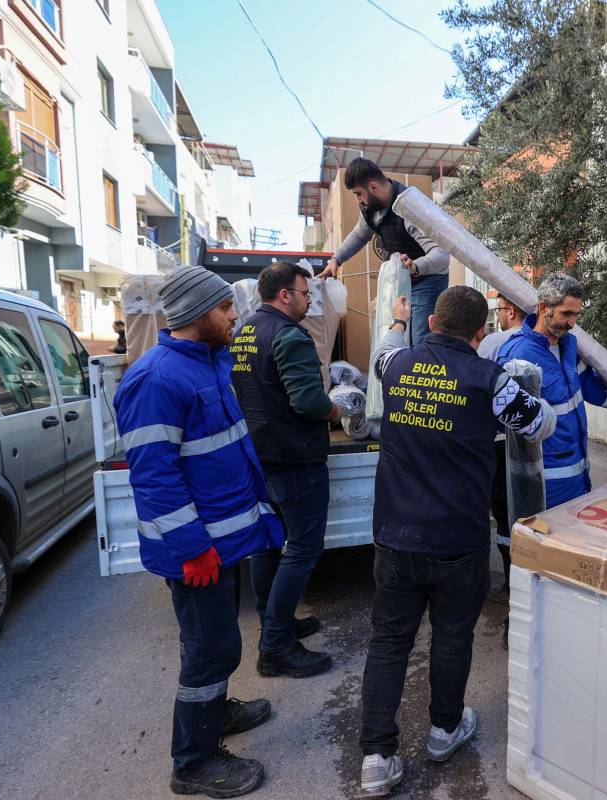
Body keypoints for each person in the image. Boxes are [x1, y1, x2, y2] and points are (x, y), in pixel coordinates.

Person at [358, 286, 555, 797]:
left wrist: (398, 322)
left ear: (433, 323)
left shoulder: (396, 367)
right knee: (451, 637)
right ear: (480, 333)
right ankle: (445, 731)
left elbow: (380, 352)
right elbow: (540, 426)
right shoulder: (491, 380)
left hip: (396, 537)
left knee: (388, 642)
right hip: (457, 541)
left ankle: (377, 758)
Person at [113, 266, 284, 798]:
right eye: (227, 308)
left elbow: (226, 451)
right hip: (198, 549)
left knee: (217, 643)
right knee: (209, 651)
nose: (236, 315)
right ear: (195, 314)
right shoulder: (156, 379)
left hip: (222, 539)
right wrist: (192, 549)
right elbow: (155, 478)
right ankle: (193, 761)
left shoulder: (210, 362)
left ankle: (216, 712)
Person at [231, 261, 341, 679]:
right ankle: (276, 646)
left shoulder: (244, 331)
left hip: (261, 455)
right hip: (294, 457)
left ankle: (275, 622)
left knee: (268, 545)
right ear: (284, 295)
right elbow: (308, 402)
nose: (309, 299)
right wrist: (336, 409)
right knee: (303, 547)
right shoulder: (289, 335)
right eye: (304, 292)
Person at [496, 273, 607, 508]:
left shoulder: (570, 346)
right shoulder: (518, 355)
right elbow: (507, 423)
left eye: (576, 315)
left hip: (579, 476)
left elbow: (590, 388)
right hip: (545, 484)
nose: (572, 323)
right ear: (543, 307)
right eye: (566, 314)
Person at [317, 157, 450, 342]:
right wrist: (336, 260)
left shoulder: (409, 207)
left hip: (428, 279)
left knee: (420, 340)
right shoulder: (371, 209)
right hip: (402, 280)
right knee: (396, 338)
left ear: (373, 187)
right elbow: (359, 235)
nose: (359, 201)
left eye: (358, 194)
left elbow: (442, 255)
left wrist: (415, 266)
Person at [477, 293, 524, 603]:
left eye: (500, 309)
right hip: (529, 443)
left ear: (511, 310)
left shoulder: (494, 343)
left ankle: (508, 584)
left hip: (497, 442)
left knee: (501, 512)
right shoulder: (542, 342)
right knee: (525, 512)